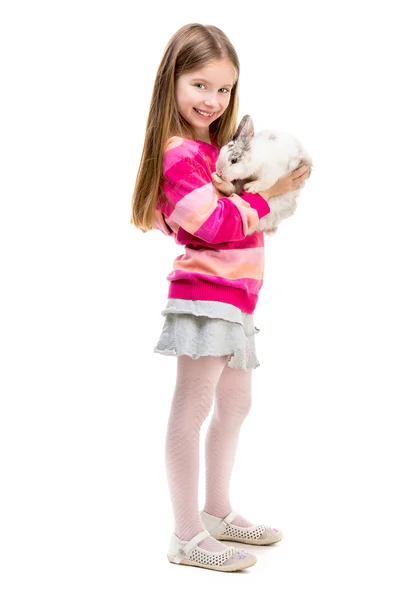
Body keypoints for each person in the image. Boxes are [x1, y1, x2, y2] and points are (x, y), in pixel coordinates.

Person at [131, 23, 311, 573]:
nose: (212, 100)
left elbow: (226, 215)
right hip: (206, 296)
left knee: (235, 403)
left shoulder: (212, 153)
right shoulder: (179, 153)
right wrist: (271, 194)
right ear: (172, 84)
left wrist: (258, 193)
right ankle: (186, 535)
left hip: (237, 297)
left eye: (224, 89)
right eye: (200, 85)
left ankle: (216, 512)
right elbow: (212, 224)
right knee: (195, 405)